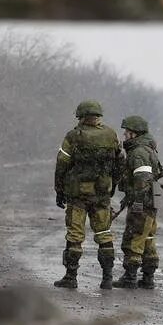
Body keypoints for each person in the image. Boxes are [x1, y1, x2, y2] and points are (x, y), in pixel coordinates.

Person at [52, 100, 122, 290]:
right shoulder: (111, 135)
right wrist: (112, 185)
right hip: (102, 194)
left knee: (75, 235)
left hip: (78, 195)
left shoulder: (74, 136)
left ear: (81, 116)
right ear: (99, 116)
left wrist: (59, 190)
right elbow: (119, 163)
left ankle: (71, 276)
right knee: (104, 234)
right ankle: (107, 278)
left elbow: (62, 164)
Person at [116, 114, 162, 289]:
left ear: (134, 134)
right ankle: (148, 278)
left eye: (127, 132)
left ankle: (130, 278)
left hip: (142, 202)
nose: (125, 136)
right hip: (151, 202)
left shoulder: (138, 152)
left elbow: (142, 179)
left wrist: (136, 201)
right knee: (148, 238)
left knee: (134, 237)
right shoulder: (148, 149)